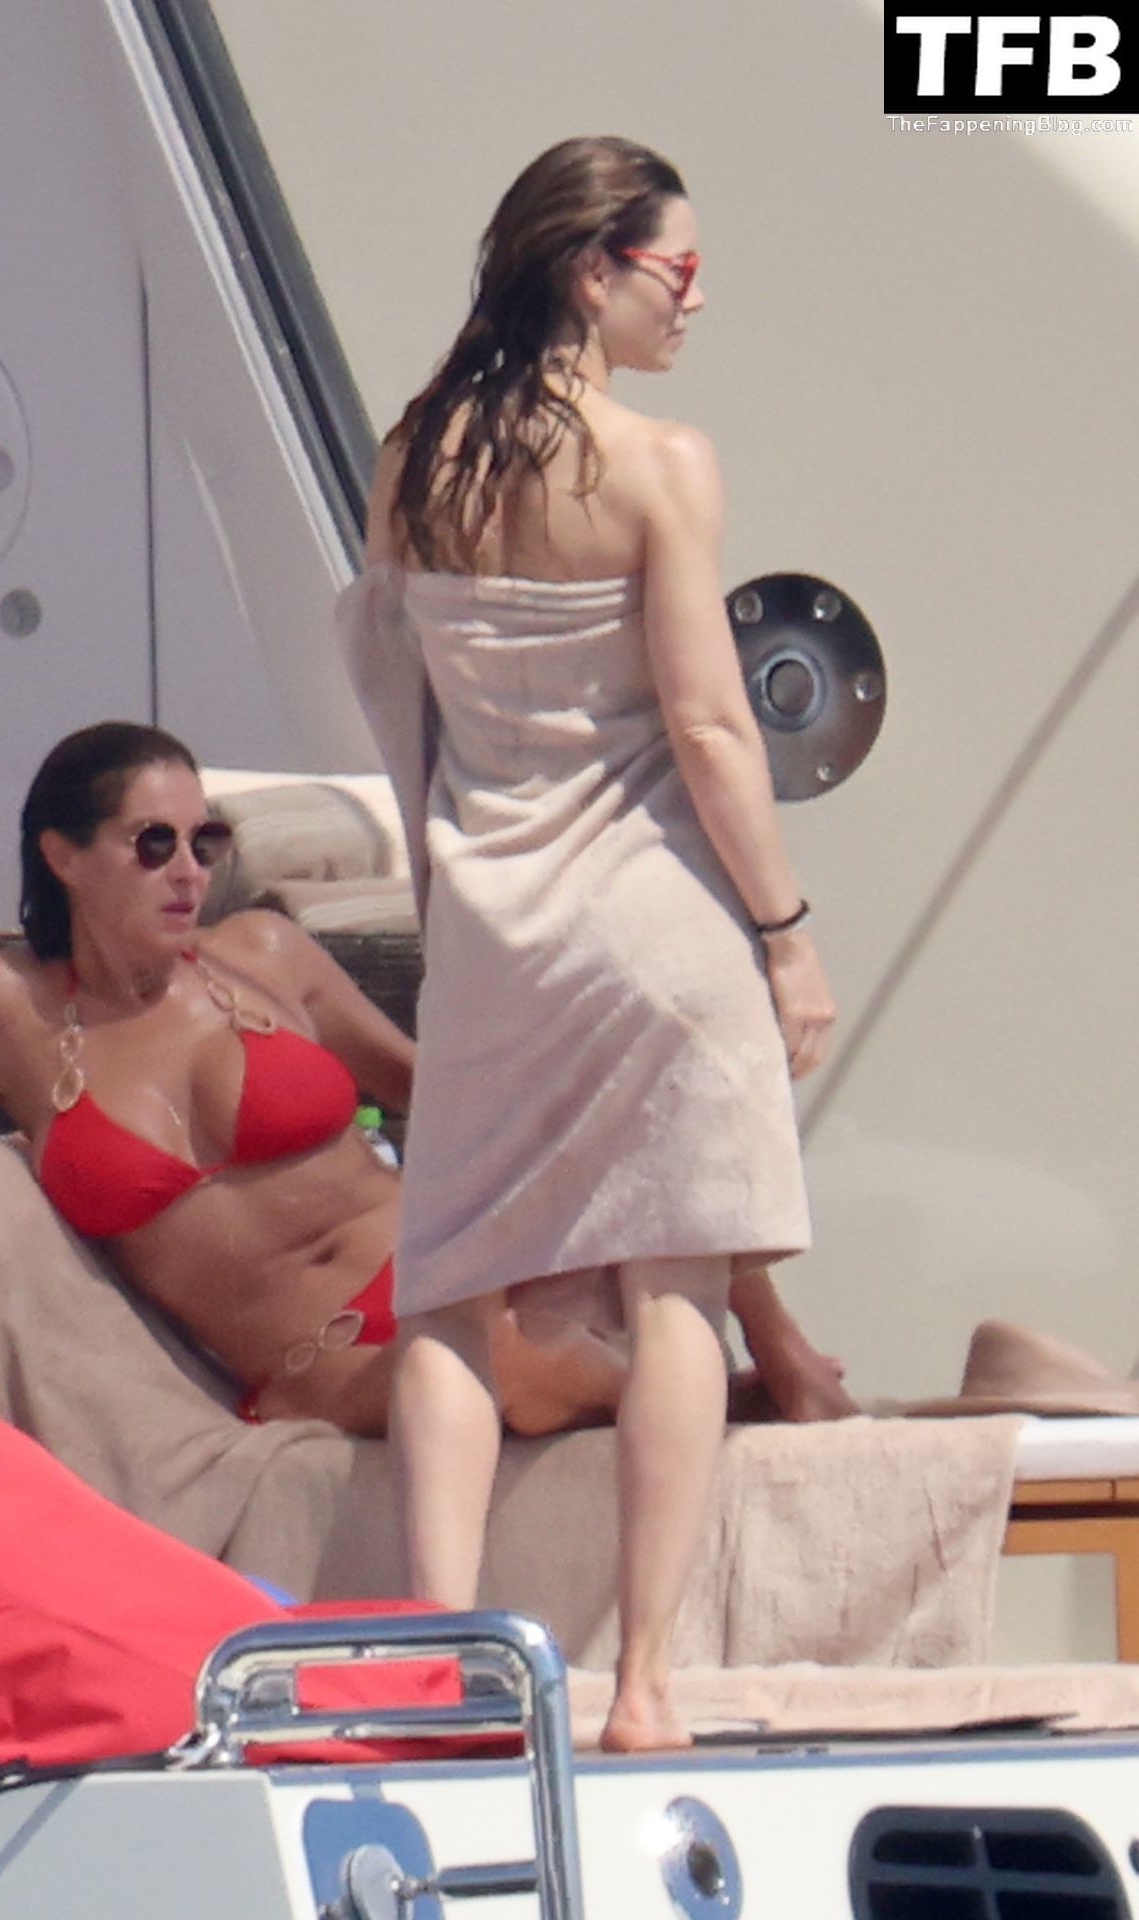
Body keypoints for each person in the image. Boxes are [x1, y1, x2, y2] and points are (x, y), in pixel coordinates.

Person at [337, 136, 838, 1750]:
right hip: (656, 917)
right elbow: (710, 723)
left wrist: (445, 885)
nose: (697, 298)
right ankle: (642, 1686)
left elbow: (392, 694)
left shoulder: (413, 458)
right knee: (675, 1277)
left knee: (448, 1287)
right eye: (676, 270)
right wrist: (786, 933)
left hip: (492, 920)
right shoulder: (659, 464)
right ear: (590, 268)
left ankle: (444, 1667)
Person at [0, 720, 843, 1446]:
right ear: (63, 855)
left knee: (625, 1143)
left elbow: (448, 1097)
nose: (188, 872)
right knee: (504, 1367)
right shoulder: (4, 1008)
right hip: (322, 1360)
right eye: (152, 843)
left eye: (204, 843)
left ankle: (780, 1358)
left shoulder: (261, 954)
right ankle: (737, 1405)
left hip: (445, 1269)